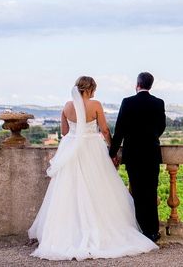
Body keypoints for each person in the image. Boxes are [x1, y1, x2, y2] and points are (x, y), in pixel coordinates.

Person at [28, 76, 157, 260]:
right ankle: (100, 230)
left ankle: (69, 234)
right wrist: (113, 151)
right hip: (92, 149)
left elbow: (64, 132)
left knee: (69, 191)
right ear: (91, 88)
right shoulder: (95, 104)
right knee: (99, 188)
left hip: (71, 150)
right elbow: (104, 130)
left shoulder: (66, 106)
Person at [109, 72, 166, 242]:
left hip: (133, 154)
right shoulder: (158, 103)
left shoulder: (128, 102)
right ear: (150, 85)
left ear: (137, 84)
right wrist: (151, 137)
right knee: (151, 191)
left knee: (138, 192)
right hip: (152, 153)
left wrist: (112, 153)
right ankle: (153, 231)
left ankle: (142, 231)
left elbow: (119, 130)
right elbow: (161, 127)